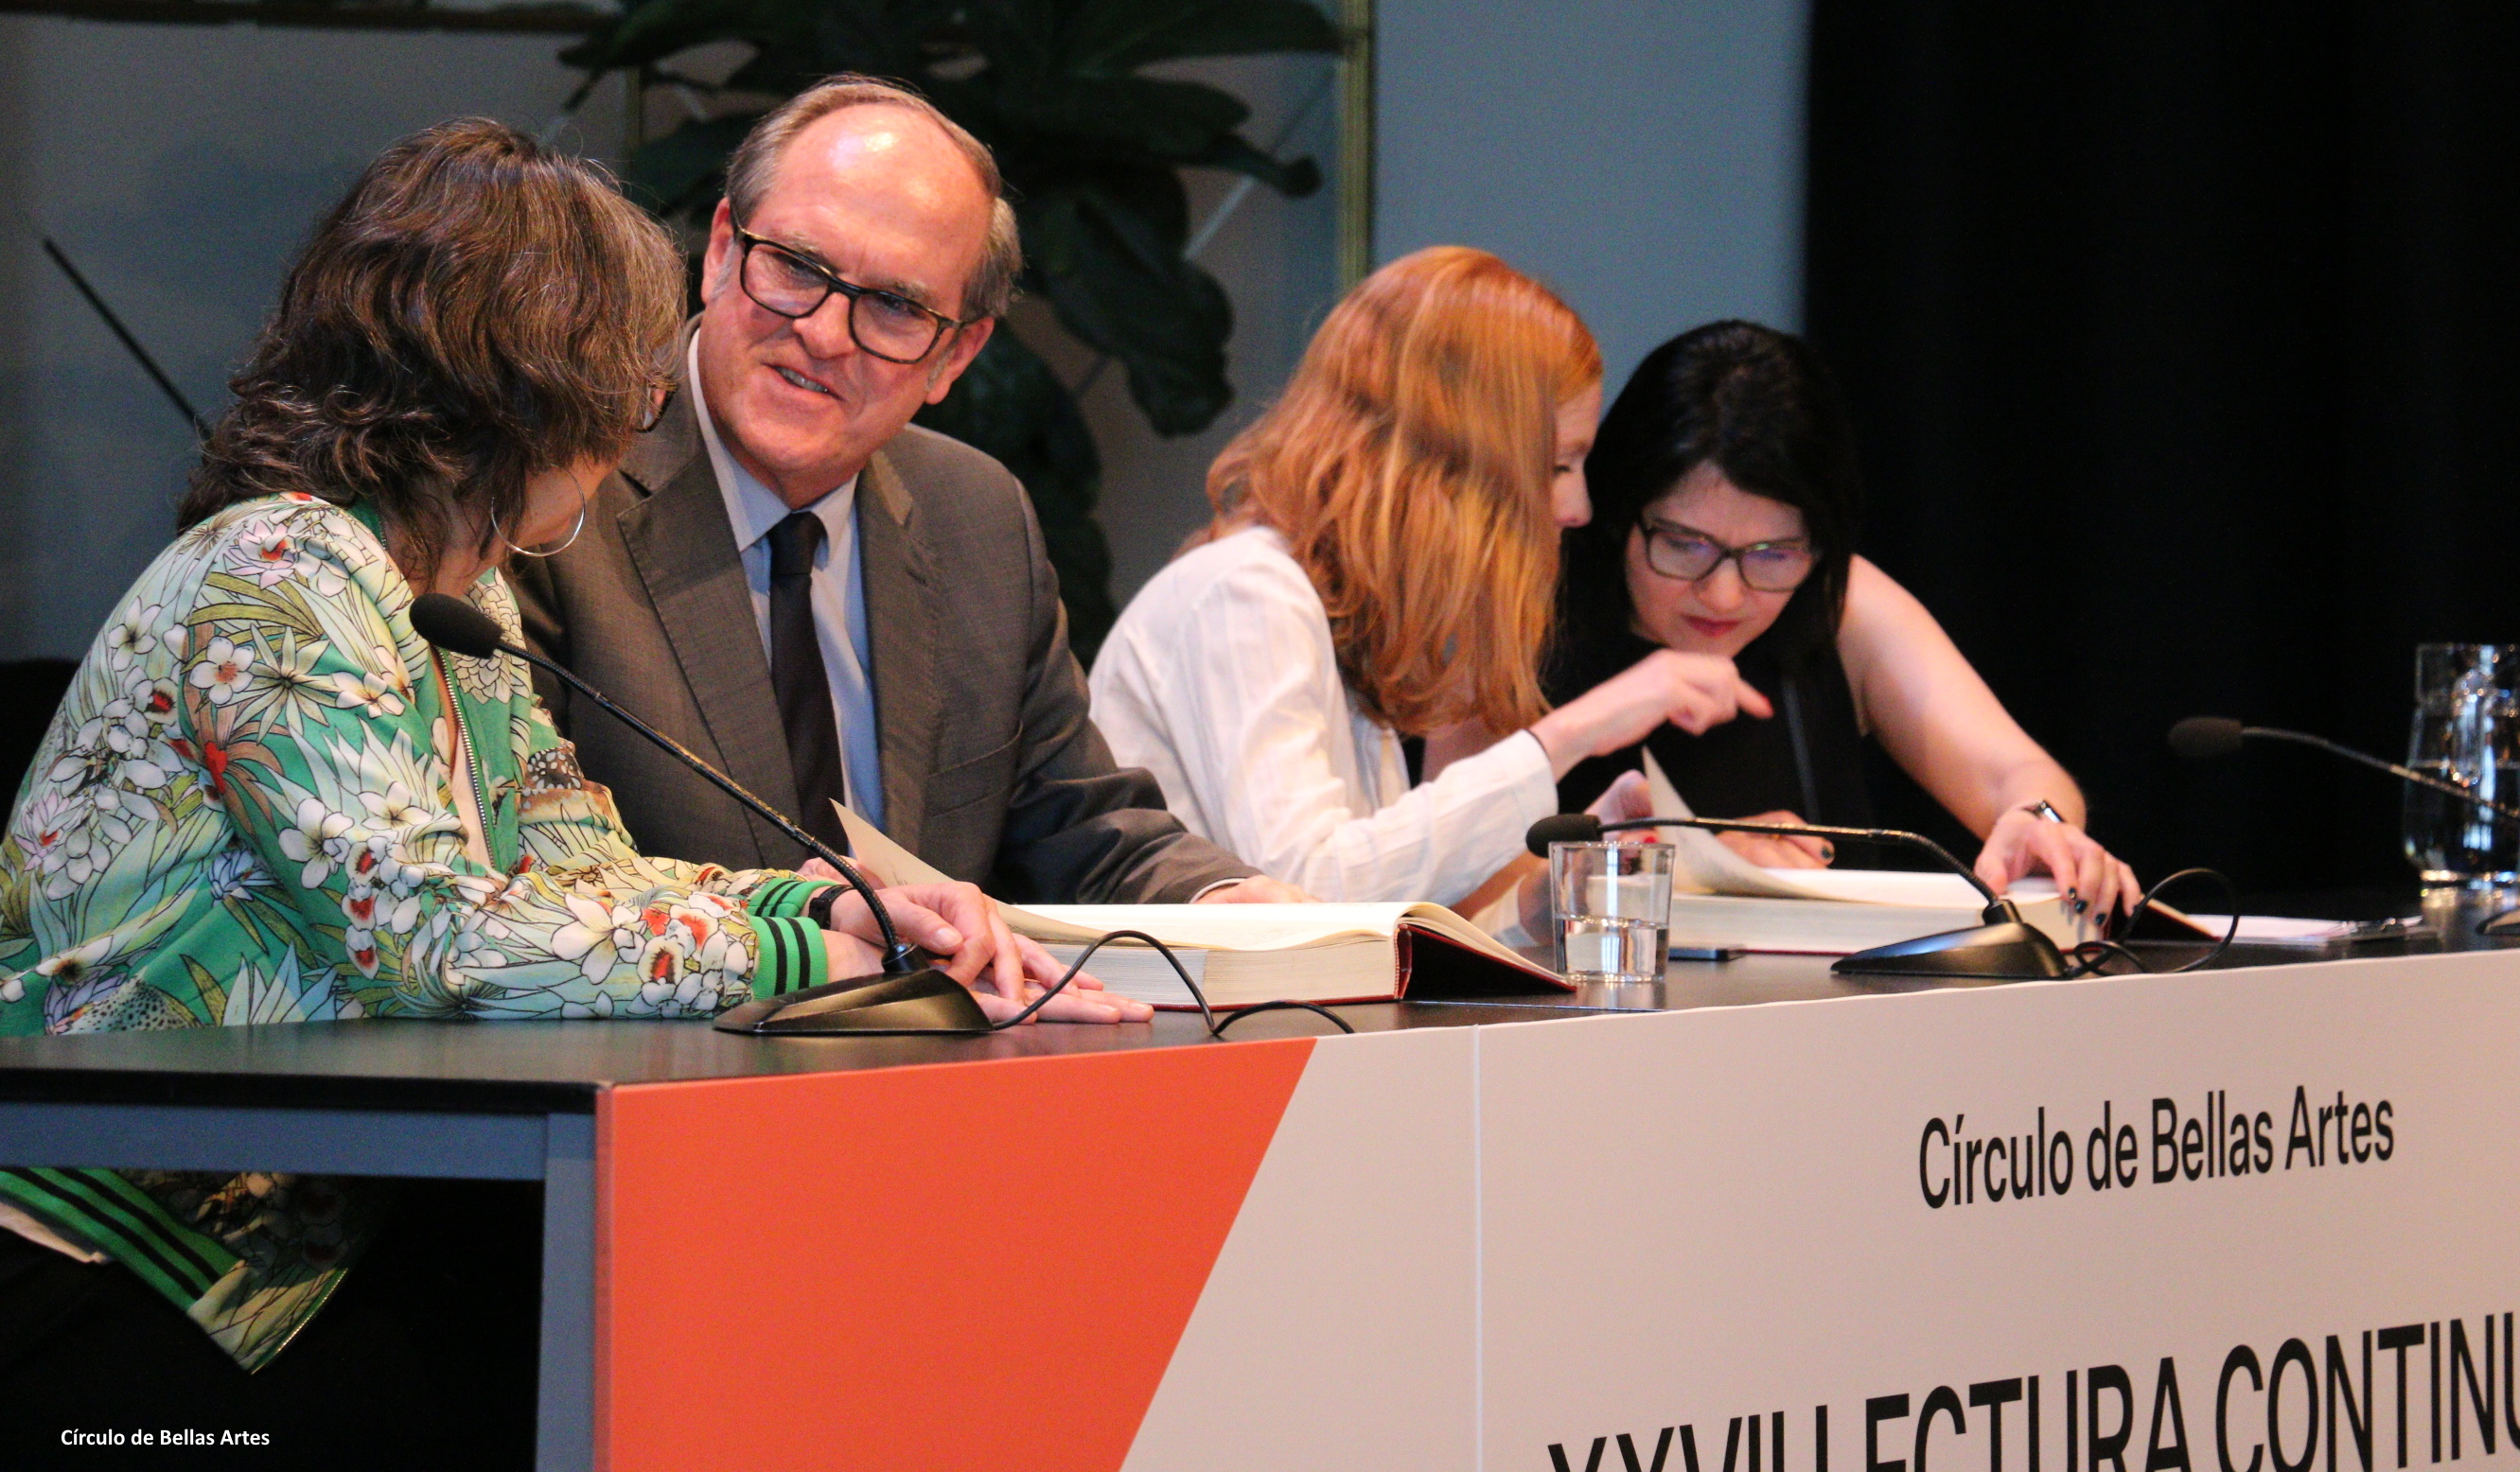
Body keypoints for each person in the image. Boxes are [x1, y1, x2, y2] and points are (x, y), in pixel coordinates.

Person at [0, 120, 1136, 1455]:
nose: (643, 414)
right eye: (626, 380)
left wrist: (827, 900)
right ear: (527, 389)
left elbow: (576, 868)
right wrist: (785, 945)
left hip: (266, 1268)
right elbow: (429, 936)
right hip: (93, 1260)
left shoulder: (451, 590)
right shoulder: (286, 569)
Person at [512, 76, 1302, 907]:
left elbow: (1080, 829)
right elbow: (541, 873)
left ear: (954, 358)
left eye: (892, 306)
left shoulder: (976, 516)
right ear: (720, 252)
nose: (820, 333)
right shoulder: (554, 481)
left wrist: (1232, 903)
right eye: (795, 266)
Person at [1088, 247, 1766, 908]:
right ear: (1450, 463)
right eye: (1558, 465)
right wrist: (1573, 733)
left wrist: (1558, 888)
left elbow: (1384, 913)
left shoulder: (1343, 610)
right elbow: (1303, 896)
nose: (1577, 507)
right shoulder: (1244, 591)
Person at [1550, 320, 2140, 927]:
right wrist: (1701, 867)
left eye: (1774, 554)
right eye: (1684, 545)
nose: (1725, 595)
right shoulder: (1528, 612)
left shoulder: (1845, 604)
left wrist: (2037, 822)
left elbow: (2012, 772)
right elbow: (1460, 889)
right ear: (1619, 511)